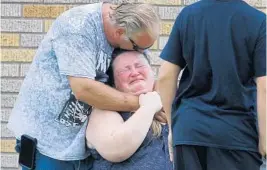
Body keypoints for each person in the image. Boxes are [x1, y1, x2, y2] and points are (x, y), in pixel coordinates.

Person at [7, 2, 165, 169]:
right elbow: (84, 89)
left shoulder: (130, 32)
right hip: (48, 144)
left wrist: (159, 98)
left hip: (83, 144)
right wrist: (143, 105)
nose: (142, 52)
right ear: (120, 32)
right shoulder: (78, 26)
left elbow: (147, 72)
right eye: (139, 47)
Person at [157, 0, 266, 170]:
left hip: (190, 130)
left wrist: (173, 127)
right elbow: (264, 86)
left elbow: (164, 76)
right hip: (237, 134)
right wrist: (265, 137)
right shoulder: (258, 21)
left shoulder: (188, 15)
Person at [86, 49, 173, 170]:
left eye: (140, 66)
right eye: (124, 70)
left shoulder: (170, 102)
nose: (134, 72)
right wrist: (148, 108)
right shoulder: (105, 111)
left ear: (152, 72)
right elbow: (115, 148)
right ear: (113, 84)